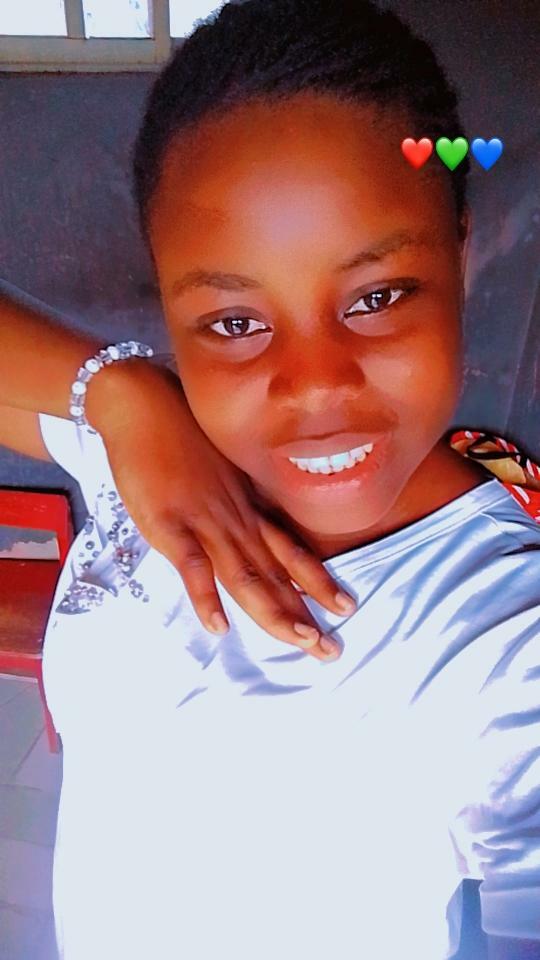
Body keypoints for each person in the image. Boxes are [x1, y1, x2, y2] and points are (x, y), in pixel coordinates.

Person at [1, 0, 539, 957]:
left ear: (460, 250)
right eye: (236, 323)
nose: (316, 387)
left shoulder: (504, 635)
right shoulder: (154, 458)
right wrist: (121, 394)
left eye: (376, 297)